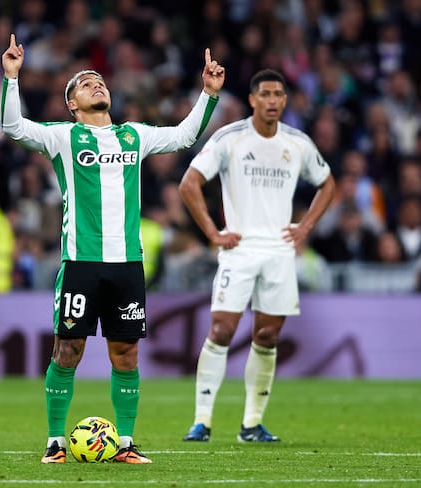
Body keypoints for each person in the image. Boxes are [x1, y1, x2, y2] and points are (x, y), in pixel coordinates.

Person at [1, 33, 225, 464]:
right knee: (68, 349)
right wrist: (12, 77)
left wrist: (208, 95)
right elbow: (13, 128)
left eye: (99, 80)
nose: (96, 84)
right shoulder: (64, 137)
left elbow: (182, 137)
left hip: (128, 264)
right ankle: (55, 441)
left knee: (126, 353)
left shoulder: (133, 136)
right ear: (72, 104)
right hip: (81, 260)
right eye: (85, 84)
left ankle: (124, 444)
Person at [179, 69, 335, 443]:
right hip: (239, 250)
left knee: (267, 335)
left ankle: (251, 423)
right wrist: (214, 234)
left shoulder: (297, 142)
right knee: (221, 329)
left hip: (280, 251)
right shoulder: (230, 138)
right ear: (252, 99)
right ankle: (201, 421)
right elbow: (189, 183)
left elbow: (327, 183)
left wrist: (305, 227)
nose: (272, 100)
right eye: (265, 93)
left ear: (285, 100)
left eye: (278, 94)